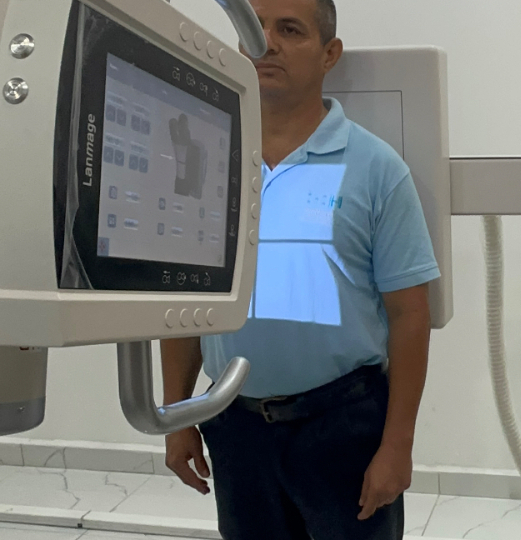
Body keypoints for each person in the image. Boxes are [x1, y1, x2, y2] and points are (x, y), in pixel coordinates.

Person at [160, 0, 440, 538]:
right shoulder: (205, 162)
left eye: (290, 30)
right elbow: (185, 304)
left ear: (330, 54)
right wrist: (177, 415)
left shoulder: (376, 169)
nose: (266, 43)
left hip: (344, 426)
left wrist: (397, 445)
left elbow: (410, 315)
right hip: (234, 426)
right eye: (254, 27)